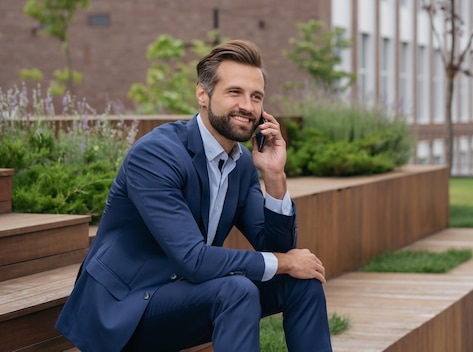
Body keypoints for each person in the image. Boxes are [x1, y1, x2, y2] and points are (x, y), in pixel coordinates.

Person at [55, 39, 332, 352]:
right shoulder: (157, 155)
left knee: (303, 281)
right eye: (234, 92)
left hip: (186, 293)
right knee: (237, 289)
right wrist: (283, 261)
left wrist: (274, 176)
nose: (248, 106)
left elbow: (276, 249)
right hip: (126, 307)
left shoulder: (241, 163)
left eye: (256, 97)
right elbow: (193, 259)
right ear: (203, 94)